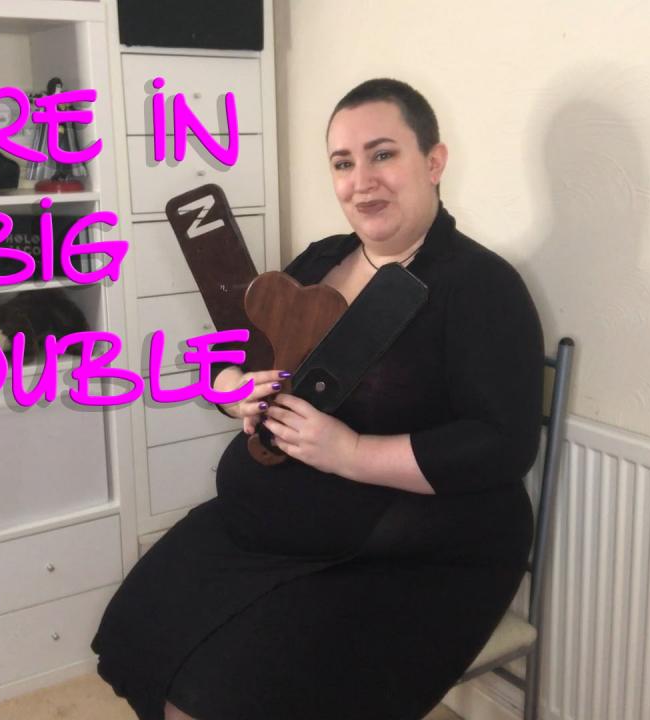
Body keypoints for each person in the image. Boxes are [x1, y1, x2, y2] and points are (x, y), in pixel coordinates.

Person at [92, 78, 545, 720]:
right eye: (342, 163)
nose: (362, 181)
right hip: (264, 528)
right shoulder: (320, 260)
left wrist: (350, 451)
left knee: (223, 697)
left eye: (382, 154)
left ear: (433, 161)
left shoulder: (480, 286)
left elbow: (502, 444)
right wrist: (233, 393)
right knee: (141, 629)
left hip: (407, 553)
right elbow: (238, 354)